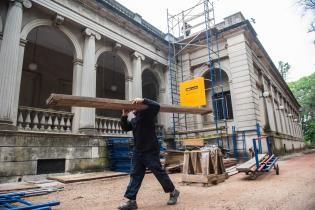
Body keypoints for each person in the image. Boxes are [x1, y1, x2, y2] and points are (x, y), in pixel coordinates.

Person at [118, 98, 180, 210]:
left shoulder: (148, 115)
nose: (133, 109)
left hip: (150, 150)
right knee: (135, 174)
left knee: (158, 172)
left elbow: (156, 106)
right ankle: (132, 201)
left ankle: (173, 191)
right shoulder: (135, 120)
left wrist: (143, 100)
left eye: (135, 106)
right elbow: (125, 127)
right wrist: (124, 115)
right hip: (138, 151)